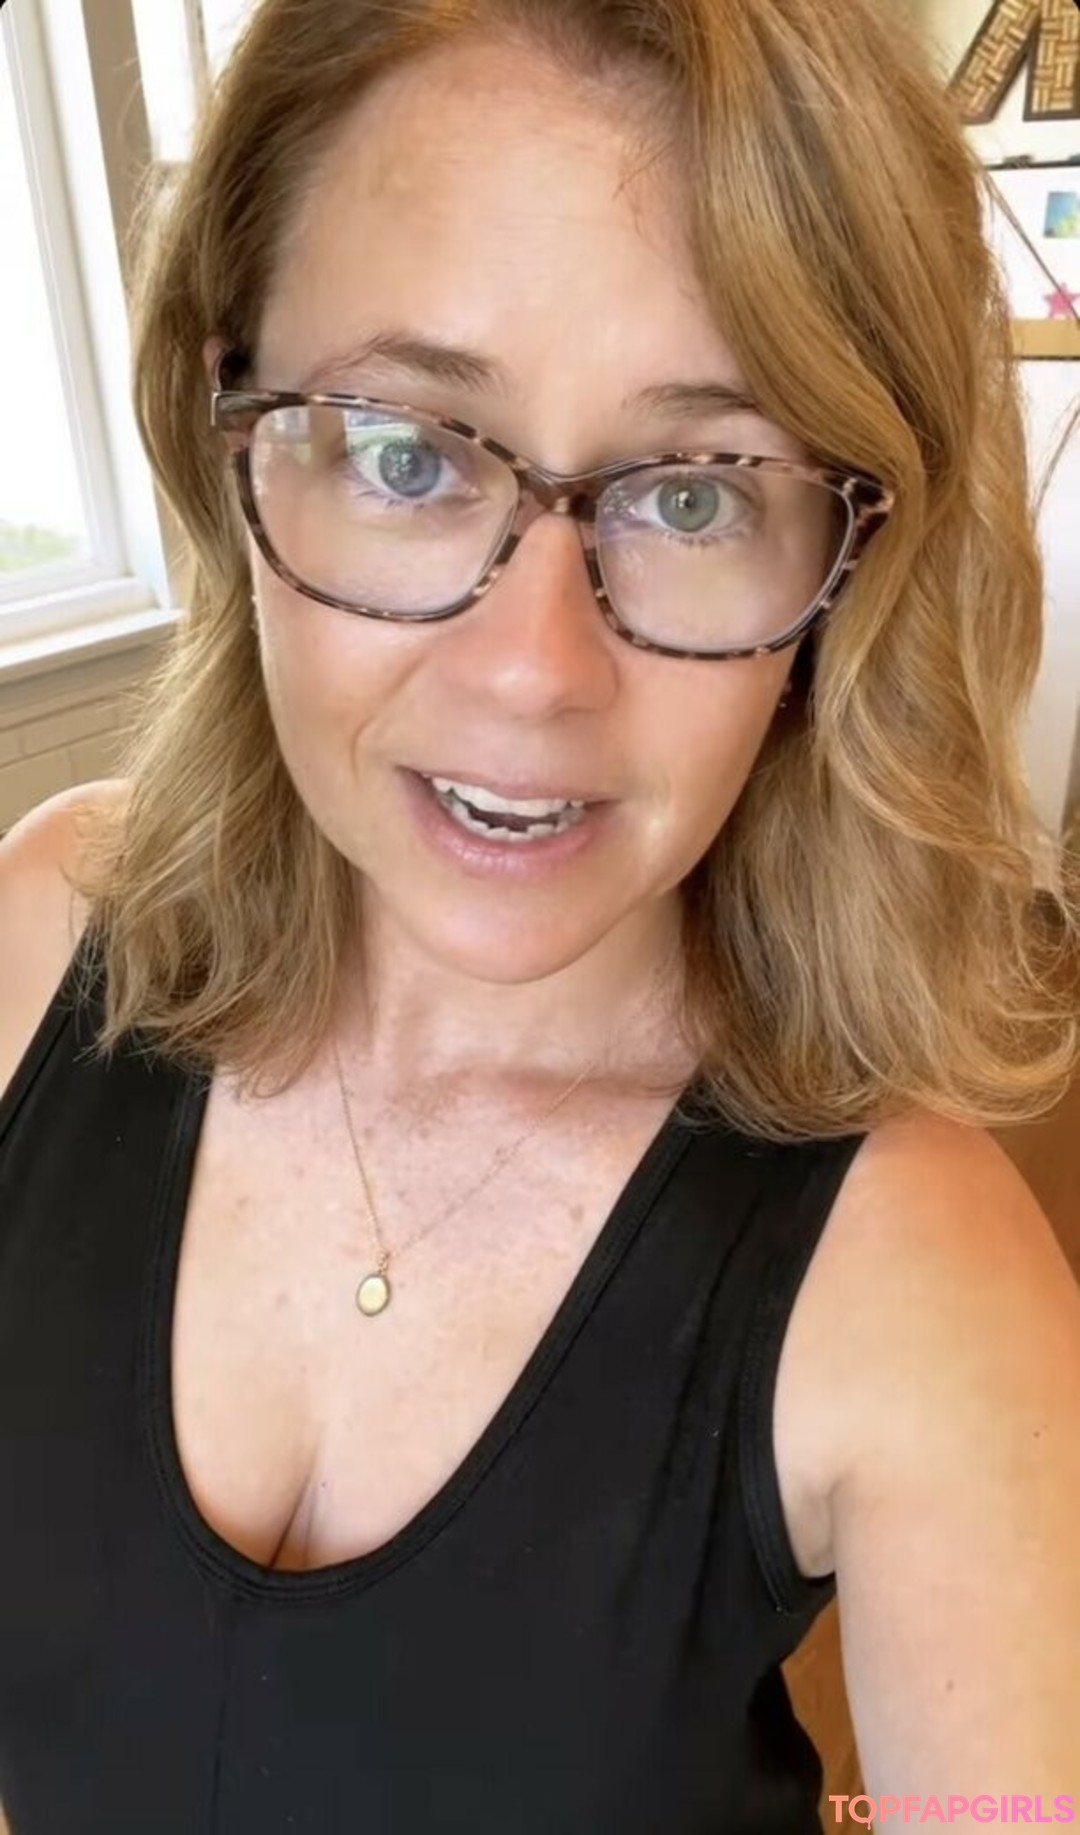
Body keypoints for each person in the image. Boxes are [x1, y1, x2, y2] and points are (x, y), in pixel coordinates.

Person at [0, 0, 1078, 1829]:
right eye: (410, 453)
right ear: (227, 423)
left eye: (695, 493)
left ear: (847, 567)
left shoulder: (917, 1281)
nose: (534, 674)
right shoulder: (42, 947)